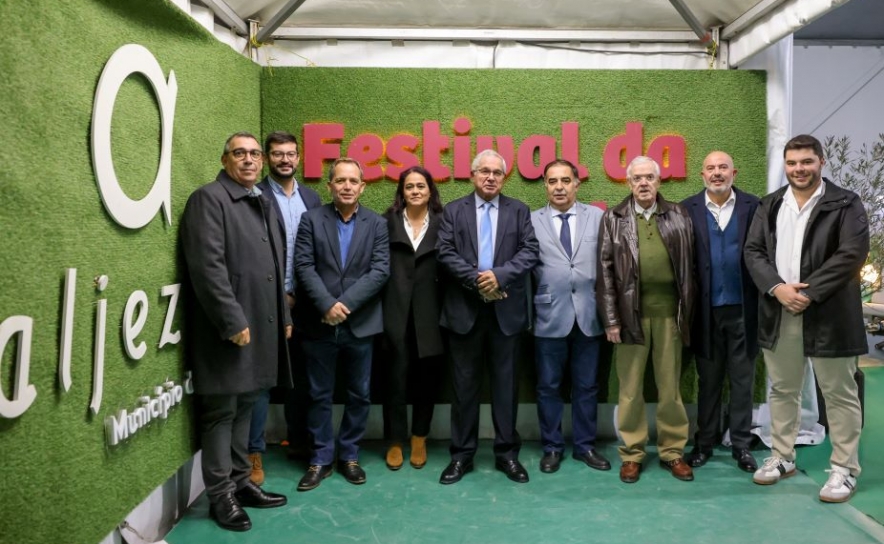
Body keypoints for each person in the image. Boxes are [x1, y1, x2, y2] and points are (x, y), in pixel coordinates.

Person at [744, 134, 868, 503]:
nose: (799, 169)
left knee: (839, 393)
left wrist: (808, 293)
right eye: (792, 163)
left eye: (806, 162)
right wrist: (777, 288)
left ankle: (845, 469)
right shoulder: (770, 204)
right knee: (783, 389)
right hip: (779, 310)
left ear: (821, 162)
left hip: (830, 313)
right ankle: (782, 457)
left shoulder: (846, 202)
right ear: (785, 165)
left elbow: (852, 253)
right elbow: (753, 252)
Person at [179, 132, 291, 532]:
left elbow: (276, 265)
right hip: (228, 329)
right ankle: (220, 495)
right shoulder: (208, 199)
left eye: (254, 154)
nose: (249, 160)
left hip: (261, 323)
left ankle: (242, 482)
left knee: (246, 403)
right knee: (221, 411)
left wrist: (284, 314)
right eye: (239, 153)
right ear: (225, 159)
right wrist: (231, 320)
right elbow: (207, 267)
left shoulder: (260, 199)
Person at [436, 149, 539, 485]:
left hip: (506, 313)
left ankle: (507, 454)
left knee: (506, 388)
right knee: (463, 388)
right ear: (473, 175)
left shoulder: (519, 210)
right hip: (464, 312)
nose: (491, 177)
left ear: (504, 178)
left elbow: (530, 251)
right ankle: (461, 456)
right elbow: (445, 252)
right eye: (485, 171)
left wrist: (499, 276)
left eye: (497, 173)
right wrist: (480, 281)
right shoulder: (453, 211)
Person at [597, 155, 695, 484]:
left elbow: (691, 267)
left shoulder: (679, 214)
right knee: (629, 390)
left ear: (658, 181)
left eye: (649, 177)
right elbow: (604, 273)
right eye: (637, 178)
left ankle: (673, 452)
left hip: (670, 316)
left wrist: (688, 313)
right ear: (628, 183)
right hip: (630, 318)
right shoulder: (613, 218)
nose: (643, 183)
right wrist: (612, 320)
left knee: (670, 388)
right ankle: (632, 454)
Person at [293, 157, 390, 491]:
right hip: (318, 323)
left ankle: (349, 455)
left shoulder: (377, 224)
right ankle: (321, 458)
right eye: (340, 180)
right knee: (318, 394)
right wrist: (326, 305)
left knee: (359, 394)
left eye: (353, 181)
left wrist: (343, 305)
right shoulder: (311, 219)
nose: (347, 186)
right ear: (330, 186)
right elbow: (304, 266)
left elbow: (380, 270)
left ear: (362, 187)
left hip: (359, 324)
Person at [247, 131, 322, 484]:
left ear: (299, 157)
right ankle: (254, 452)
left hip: (306, 303)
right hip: (268, 302)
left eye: (291, 154)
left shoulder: (311, 197)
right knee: (263, 380)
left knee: (302, 379)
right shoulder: (255, 195)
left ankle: (300, 442)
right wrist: (280, 296)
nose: (285, 160)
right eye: (277, 154)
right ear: (267, 158)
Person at [681, 151, 760, 473]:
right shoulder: (687, 209)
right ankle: (704, 443)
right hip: (705, 312)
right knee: (709, 381)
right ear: (702, 174)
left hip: (744, 309)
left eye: (723, 167)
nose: (717, 173)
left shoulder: (754, 207)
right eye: (711, 168)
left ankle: (741, 445)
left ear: (734, 173)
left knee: (742, 380)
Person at [531, 159, 610, 474]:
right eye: (552, 181)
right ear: (545, 186)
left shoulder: (598, 217)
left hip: (589, 315)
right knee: (548, 386)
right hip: (547, 314)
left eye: (565, 180)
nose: (559, 187)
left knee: (587, 386)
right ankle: (552, 447)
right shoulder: (531, 220)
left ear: (577, 184)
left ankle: (585, 446)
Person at [381, 166, 446, 471]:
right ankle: (395, 439)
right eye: (410, 186)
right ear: (402, 192)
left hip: (431, 313)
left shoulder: (444, 222)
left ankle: (419, 436)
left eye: (421, 185)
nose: (416, 191)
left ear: (430, 191)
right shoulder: (387, 222)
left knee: (427, 379)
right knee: (393, 378)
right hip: (394, 311)